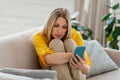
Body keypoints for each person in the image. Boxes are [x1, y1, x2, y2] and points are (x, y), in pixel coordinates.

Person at [32, 7, 92, 80]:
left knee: (69, 42)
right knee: (55, 43)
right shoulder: (39, 37)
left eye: (64, 27)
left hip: (77, 75)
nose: (60, 31)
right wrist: (74, 56)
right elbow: (48, 59)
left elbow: (87, 69)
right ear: (50, 24)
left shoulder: (75, 35)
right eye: (56, 26)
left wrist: (82, 66)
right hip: (53, 71)